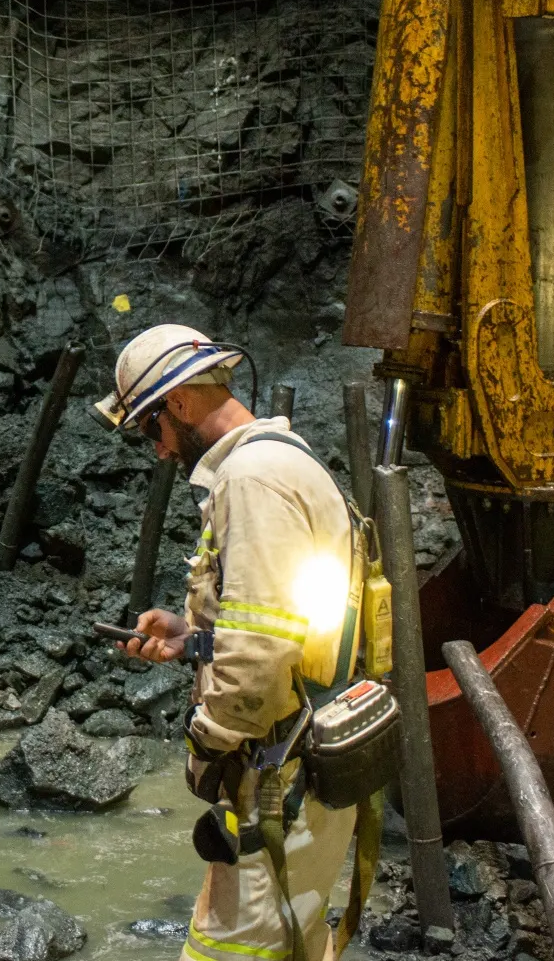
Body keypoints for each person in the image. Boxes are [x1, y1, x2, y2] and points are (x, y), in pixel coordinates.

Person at [94, 324, 371, 961]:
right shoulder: (283, 457)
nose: (158, 449)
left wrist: (210, 743)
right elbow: (284, 622)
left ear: (181, 404)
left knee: (227, 950)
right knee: (295, 942)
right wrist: (193, 639)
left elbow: (259, 653)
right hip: (313, 752)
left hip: (280, 769)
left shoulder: (251, 480)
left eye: (149, 427)